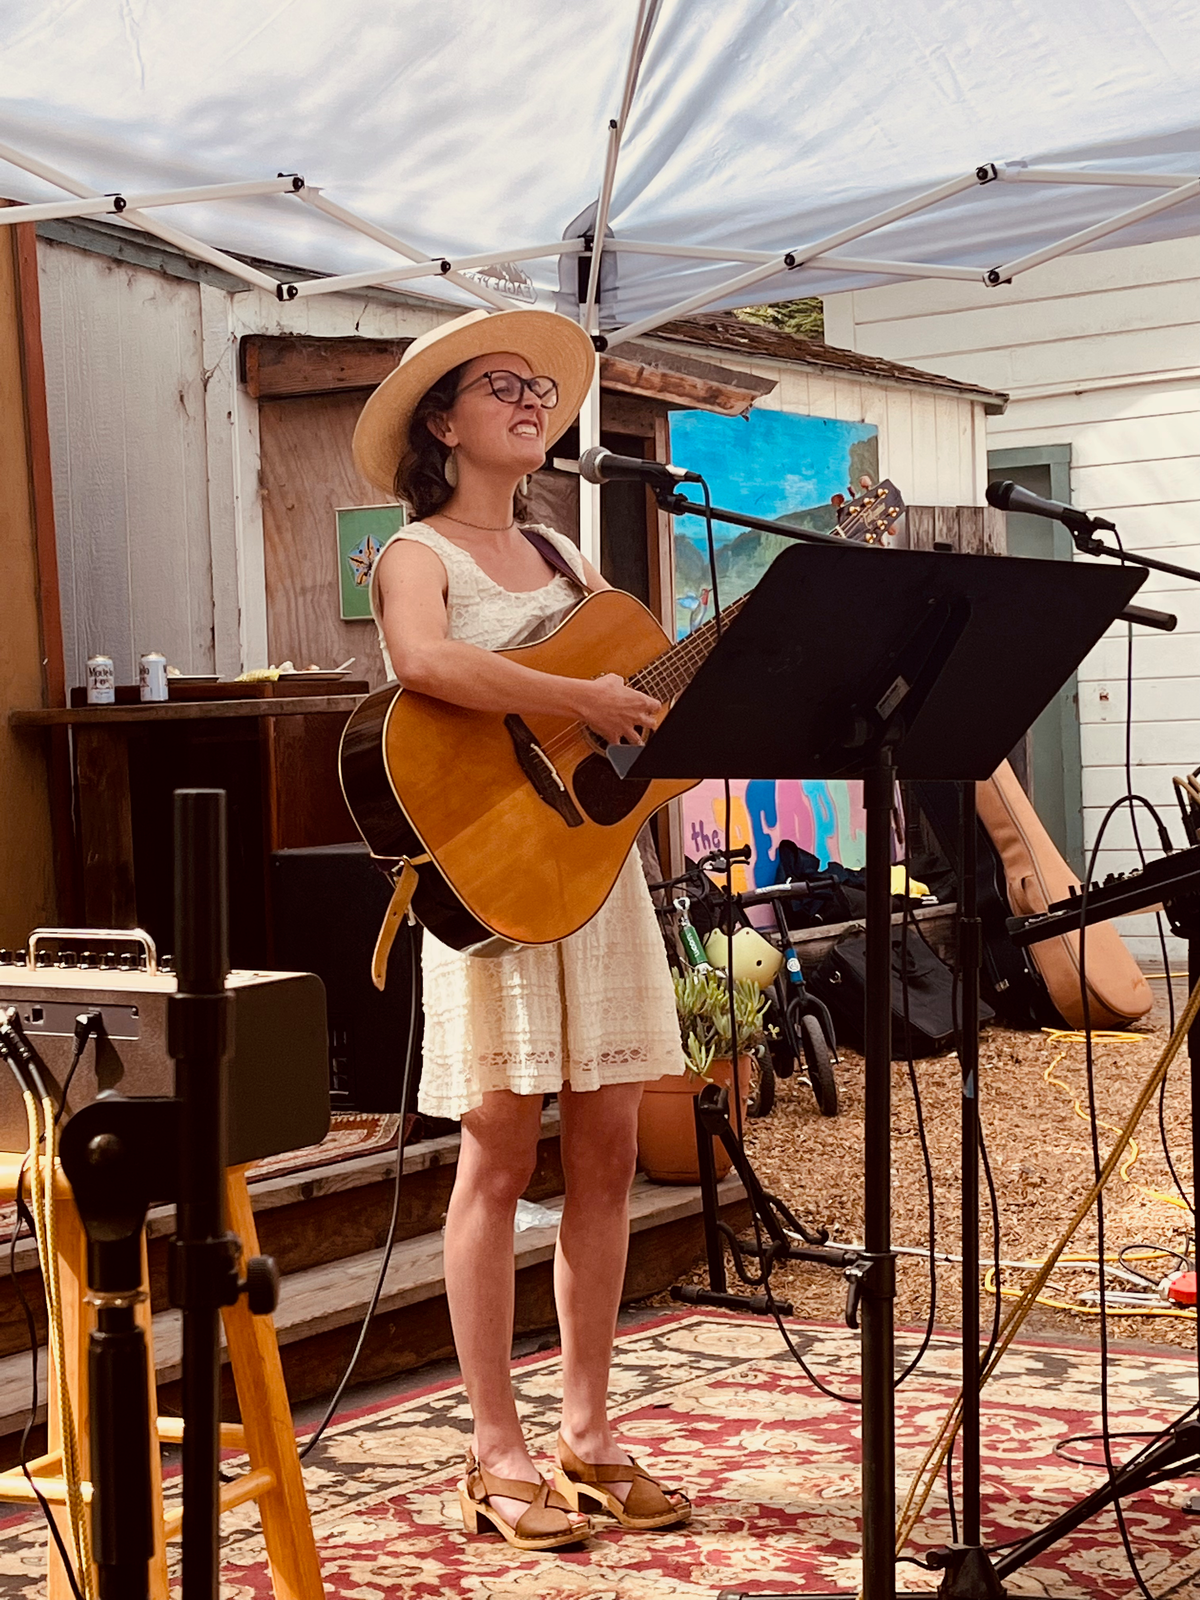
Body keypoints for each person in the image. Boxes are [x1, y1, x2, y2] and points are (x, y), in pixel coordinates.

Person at [353, 308, 691, 1551]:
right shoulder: (414, 553)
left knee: (607, 1156)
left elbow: (624, 709)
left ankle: (588, 1435)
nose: (533, 400)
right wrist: (577, 696)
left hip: (595, 885)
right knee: (496, 1159)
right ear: (442, 422)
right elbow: (427, 665)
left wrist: (668, 719)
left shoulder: (566, 557)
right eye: (504, 384)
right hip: (493, 887)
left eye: (541, 387)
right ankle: (494, 1447)